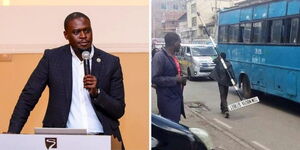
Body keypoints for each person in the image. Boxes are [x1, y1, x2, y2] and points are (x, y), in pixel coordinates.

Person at [8, 12, 126, 149]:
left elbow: (119, 110)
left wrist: (98, 93)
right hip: (62, 139)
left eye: (87, 30)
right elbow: (28, 97)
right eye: (76, 32)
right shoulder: (52, 59)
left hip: (102, 138)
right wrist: (12, 135)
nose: (83, 36)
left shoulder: (110, 62)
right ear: (66, 35)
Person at [152, 32, 186, 123]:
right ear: (174, 43)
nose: (180, 45)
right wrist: (175, 79)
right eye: (179, 42)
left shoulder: (173, 56)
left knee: (175, 126)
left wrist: (181, 79)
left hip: (176, 99)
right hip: (167, 101)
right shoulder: (159, 56)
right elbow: (155, 78)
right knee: (170, 129)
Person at [209, 52, 235, 118]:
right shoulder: (228, 63)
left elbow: (213, 60)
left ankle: (226, 110)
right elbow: (232, 73)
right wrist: (234, 80)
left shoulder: (219, 62)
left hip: (221, 82)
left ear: (221, 57)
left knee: (222, 95)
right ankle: (222, 108)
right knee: (224, 95)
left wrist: (218, 58)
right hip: (227, 82)